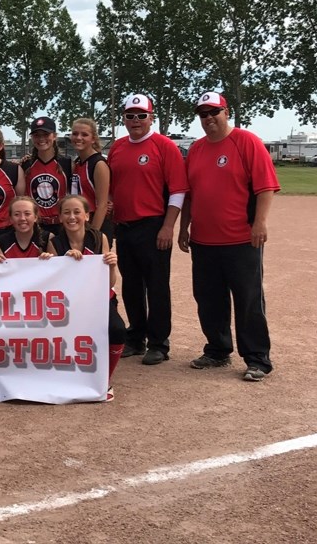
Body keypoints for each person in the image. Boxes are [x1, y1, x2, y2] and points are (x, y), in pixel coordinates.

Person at [178, 92, 280, 382]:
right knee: (208, 299)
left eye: (214, 112)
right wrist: (184, 226)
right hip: (204, 240)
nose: (209, 118)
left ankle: (257, 357)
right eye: (203, 114)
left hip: (241, 239)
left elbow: (266, 187)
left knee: (248, 299)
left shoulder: (246, 141)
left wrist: (259, 223)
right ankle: (218, 350)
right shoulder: (196, 149)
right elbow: (189, 195)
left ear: (226, 112)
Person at [107, 94, 189, 366]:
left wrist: (168, 226)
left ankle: (158, 343)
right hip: (125, 227)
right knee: (130, 286)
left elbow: (178, 190)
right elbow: (111, 188)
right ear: (124, 118)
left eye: (141, 115)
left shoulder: (164, 146)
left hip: (153, 225)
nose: (135, 121)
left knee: (156, 287)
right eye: (130, 116)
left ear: (151, 117)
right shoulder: (118, 147)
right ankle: (136, 337)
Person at [49, 195, 126, 401]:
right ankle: (67, 376)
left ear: (86, 215)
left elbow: (109, 282)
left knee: (117, 330)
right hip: (69, 302)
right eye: (66, 212)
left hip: (98, 298)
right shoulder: (55, 243)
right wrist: (64, 264)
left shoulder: (99, 238)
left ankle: (103, 380)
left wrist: (112, 264)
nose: (72, 216)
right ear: (60, 217)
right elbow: (53, 283)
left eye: (76, 212)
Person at [21, 116, 73, 235]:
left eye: (45, 134)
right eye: (37, 135)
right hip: (34, 226)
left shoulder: (67, 164)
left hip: (61, 226)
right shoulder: (26, 164)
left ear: (54, 136)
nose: (41, 139)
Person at [70, 117, 113, 245]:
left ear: (93, 139)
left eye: (84, 134)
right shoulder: (77, 163)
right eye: (75, 133)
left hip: (96, 225)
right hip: (80, 224)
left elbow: (103, 205)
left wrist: (92, 236)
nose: (78, 137)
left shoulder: (99, 164)